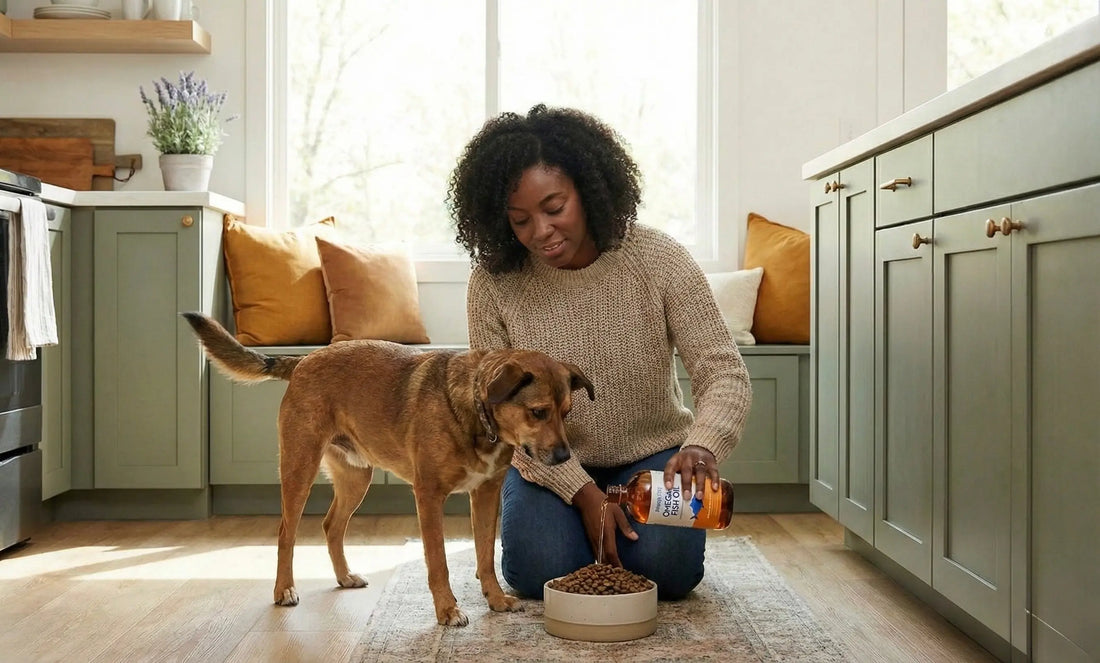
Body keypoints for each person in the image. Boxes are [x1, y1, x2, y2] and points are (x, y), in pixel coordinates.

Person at [447, 104, 752, 600]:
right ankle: (579, 527)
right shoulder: (493, 282)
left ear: (589, 190)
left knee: (667, 573)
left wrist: (702, 445)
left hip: (653, 456)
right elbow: (497, 411)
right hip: (545, 460)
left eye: (554, 208)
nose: (540, 231)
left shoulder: (658, 258)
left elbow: (722, 371)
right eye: (520, 219)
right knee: (537, 573)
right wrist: (583, 493)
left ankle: (617, 535)